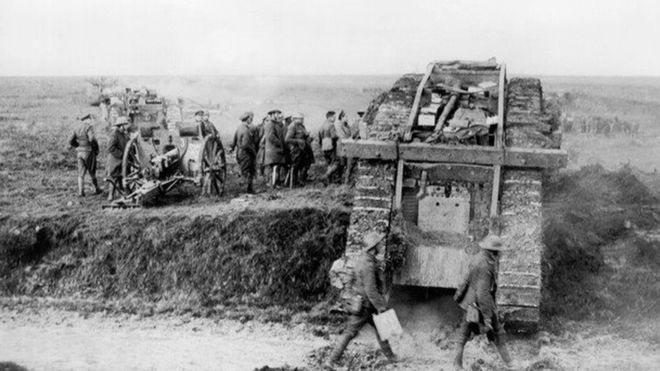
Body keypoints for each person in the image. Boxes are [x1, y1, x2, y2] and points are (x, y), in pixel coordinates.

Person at [324, 232, 397, 369]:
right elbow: (371, 290)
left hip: (366, 304)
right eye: (379, 244)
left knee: (381, 330)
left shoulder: (364, 260)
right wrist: (381, 307)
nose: (382, 245)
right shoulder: (368, 265)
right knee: (350, 332)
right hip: (365, 306)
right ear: (373, 247)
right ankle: (331, 360)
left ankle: (391, 357)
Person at [452, 234, 513, 370]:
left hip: (470, 302)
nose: (499, 254)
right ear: (493, 251)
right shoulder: (486, 266)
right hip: (478, 304)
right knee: (497, 332)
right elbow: (483, 293)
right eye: (498, 251)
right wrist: (487, 318)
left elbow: (466, 280)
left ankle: (457, 364)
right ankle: (510, 364)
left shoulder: (478, 258)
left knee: (463, 334)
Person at [68, 114, 102, 197]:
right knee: (92, 171)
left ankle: (81, 192)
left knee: (81, 173)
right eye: (89, 119)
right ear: (87, 120)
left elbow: (70, 140)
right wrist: (95, 148)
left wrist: (78, 146)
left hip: (80, 152)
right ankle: (97, 189)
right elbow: (92, 139)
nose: (90, 121)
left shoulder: (77, 128)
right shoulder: (88, 127)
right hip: (88, 151)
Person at [230, 111, 257, 193]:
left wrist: (233, 148)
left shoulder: (239, 128)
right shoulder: (246, 130)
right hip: (246, 154)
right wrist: (254, 152)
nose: (251, 120)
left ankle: (247, 189)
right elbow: (246, 145)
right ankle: (247, 190)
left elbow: (234, 140)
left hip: (239, 153)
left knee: (244, 170)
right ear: (248, 119)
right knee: (248, 171)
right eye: (250, 118)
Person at [261, 109, 289, 188]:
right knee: (274, 167)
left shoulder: (275, 124)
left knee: (276, 167)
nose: (279, 115)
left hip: (276, 149)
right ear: (273, 114)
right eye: (277, 114)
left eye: (279, 114)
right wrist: (280, 143)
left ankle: (275, 183)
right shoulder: (270, 124)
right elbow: (271, 137)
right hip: (273, 150)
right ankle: (273, 184)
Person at [105, 116, 130, 201]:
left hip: (123, 160)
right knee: (113, 177)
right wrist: (122, 155)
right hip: (115, 160)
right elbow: (110, 147)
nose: (127, 126)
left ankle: (122, 194)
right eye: (126, 124)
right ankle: (111, 195)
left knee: (121, 177)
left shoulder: (124, 134)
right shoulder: (114, 133)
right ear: (121, 125)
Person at [285, 112, 312, 187]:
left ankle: (298, 182)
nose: (302, 120)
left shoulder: (301, 126)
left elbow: (304, 134)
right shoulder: (292, 126)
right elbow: (287, 139)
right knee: (295, 167)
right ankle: (292, 184)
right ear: (295, 119)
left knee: (301, 165)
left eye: (302, 118)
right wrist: (298, 141)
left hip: (302, 148)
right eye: (300, 118)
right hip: (296, 149)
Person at [318, 111, 340, 182]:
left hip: (324, 146)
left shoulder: (322, 126)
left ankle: (329, 181)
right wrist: (338, 138)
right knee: (335, 163)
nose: (335, 118)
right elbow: (334, 136)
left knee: (329, 163)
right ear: (329, 117)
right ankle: (325, 176)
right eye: (334, 116)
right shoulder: (331, 125)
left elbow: (320, 138)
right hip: (331, 146)